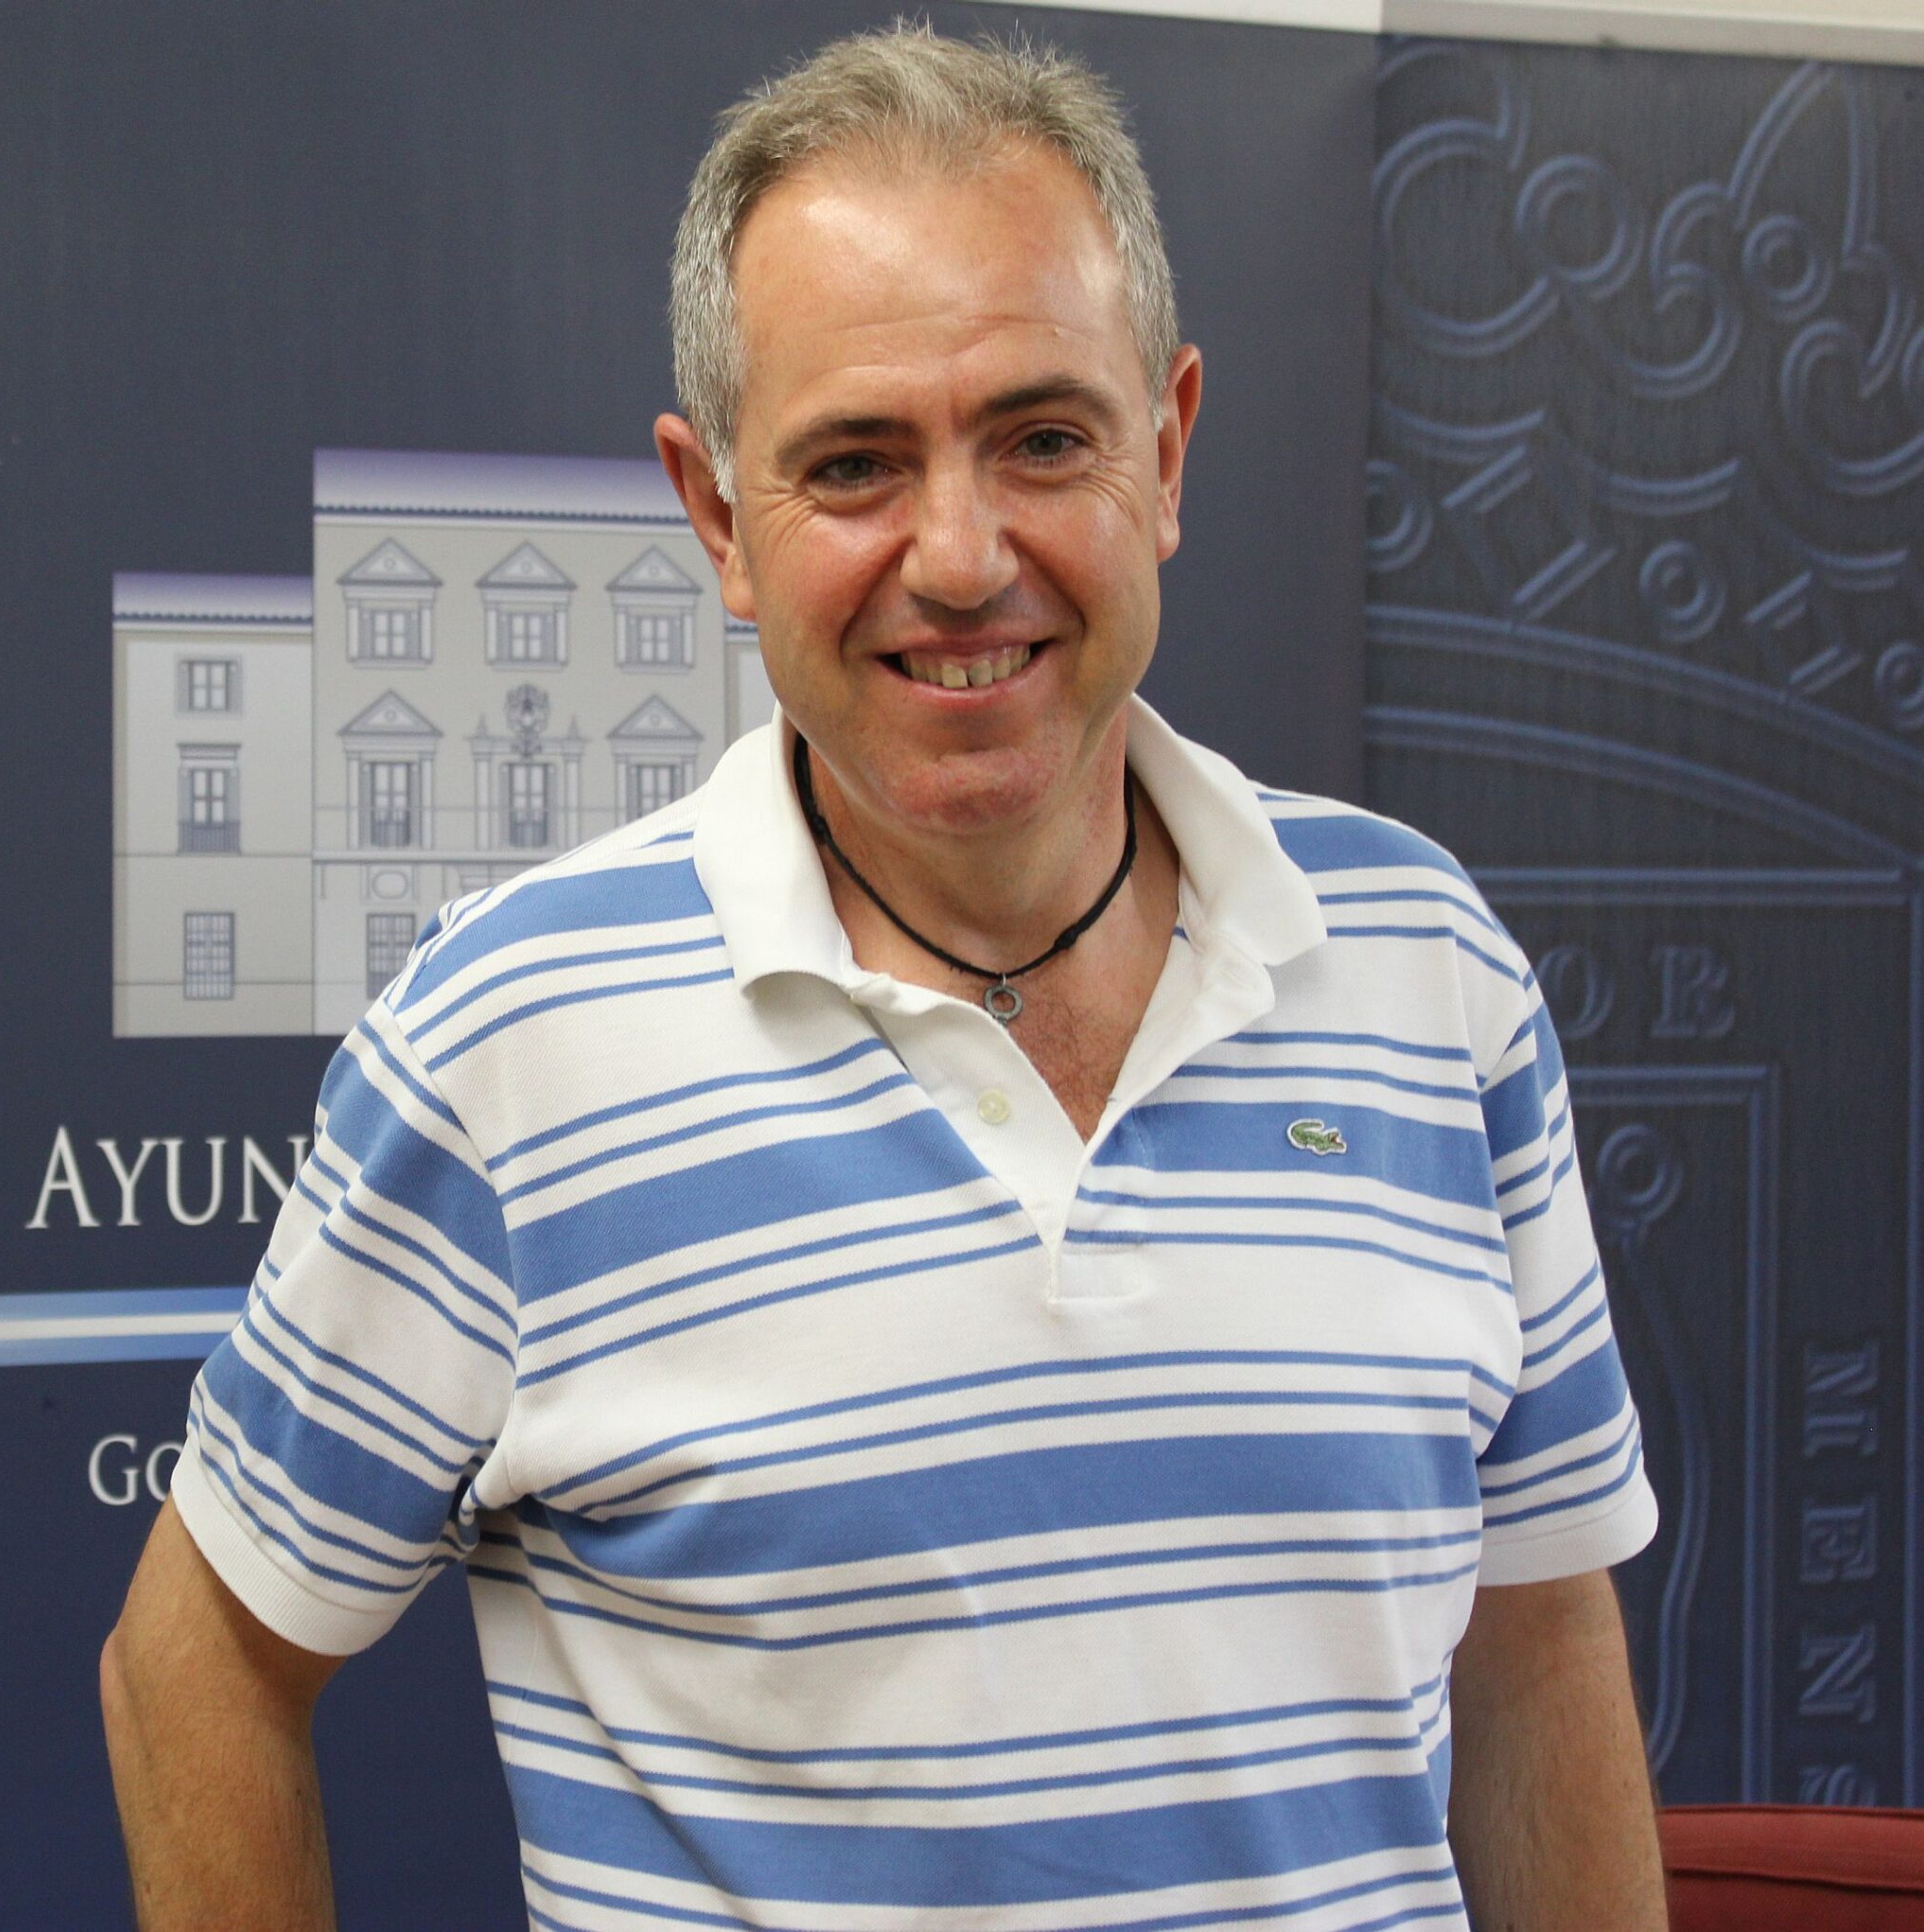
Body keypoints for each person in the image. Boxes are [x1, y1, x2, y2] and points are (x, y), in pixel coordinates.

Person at [102, 26, 1667, 1930]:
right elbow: (194, 1665)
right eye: (853, 464)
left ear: (1166, 451)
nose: (960, 554)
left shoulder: (1429, 964)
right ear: (715, 516)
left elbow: (1537, 1646)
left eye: (1043, 439)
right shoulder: (507, 1040)